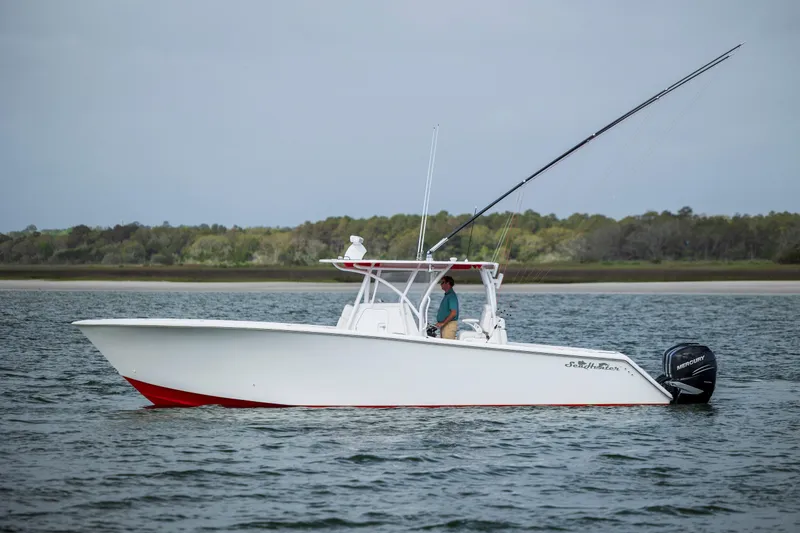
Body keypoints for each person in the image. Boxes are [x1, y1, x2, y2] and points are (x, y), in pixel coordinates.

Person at [435, 275, 459, 340]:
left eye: (442, 282)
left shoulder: (451, 296)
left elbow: (453, 313)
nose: (441, 284)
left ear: (448, 283)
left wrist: (443, 323)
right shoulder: (447, 295)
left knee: (447, 348)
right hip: (445, 325)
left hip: (448, 326)